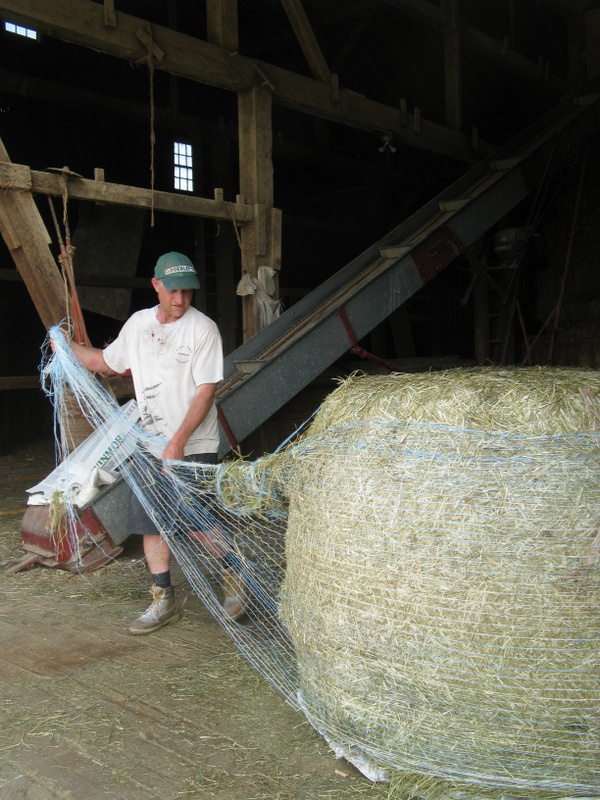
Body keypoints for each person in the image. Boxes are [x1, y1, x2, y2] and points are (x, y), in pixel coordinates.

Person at [69, 251, 246, 633]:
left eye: (187, 292)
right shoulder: (137, 325)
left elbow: (205, 393)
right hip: (148, 443)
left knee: (194, 521)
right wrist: (67, 350)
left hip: (192, 444)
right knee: (151, 523)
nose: (180, 299)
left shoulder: (203, 330)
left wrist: (178, 441)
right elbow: (106, 362)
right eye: (173, 291)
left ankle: (235, 576)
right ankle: (163, 598)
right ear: (156, 285)